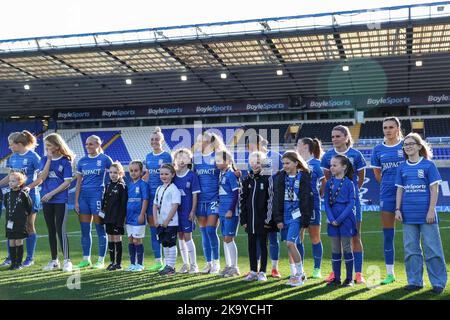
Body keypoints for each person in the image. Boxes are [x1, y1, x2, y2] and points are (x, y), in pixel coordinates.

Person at [395, 133, 447, 294]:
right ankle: (415, 281)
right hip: (408, 215)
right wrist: (397, 209)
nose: (408, 146)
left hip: (427, 215)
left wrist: (431, 210)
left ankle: (438, 283)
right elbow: (400, 190)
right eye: (405, 144)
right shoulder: (402, 167)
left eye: (411, 143)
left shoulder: (428, 166)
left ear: (419, 146)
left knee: (433, 249)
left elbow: (434, 189)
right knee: (411, 250)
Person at [321, 125, 367, 284]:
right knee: (336, 240)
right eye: (332, 136)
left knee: (355, 236)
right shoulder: (327, 156)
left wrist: (351, 192)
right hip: (335, 205)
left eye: (338, 136)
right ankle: (336, 273)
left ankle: (358, 273)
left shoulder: (356, 154)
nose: (334, 139)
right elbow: (327, 178)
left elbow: (361, 176)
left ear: (346, 138)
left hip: (351, 203)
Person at [271, 150, 313, 286]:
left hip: (297, 215)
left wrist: (305, 219)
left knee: (291, 243)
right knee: (291, 245)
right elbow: (276, 199)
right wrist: (278, 219)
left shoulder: (304, 177)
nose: (285, 166)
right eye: (283, 163)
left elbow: (307, 198)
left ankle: (300, 274)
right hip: (284, 215)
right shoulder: (280, 177)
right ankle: (295, 274)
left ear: (296, 163)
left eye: (288, 163)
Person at [371, 117, 405, 285]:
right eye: (385, 127)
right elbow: (377, 175)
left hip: (408, 194)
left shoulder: (406, 145)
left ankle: (415, 273)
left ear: (398, 129)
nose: (388, 130)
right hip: (387, 195)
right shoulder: (377, 149)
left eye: (391, 127)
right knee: (388, 235)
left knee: (413, 234)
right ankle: (390, 273)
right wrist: (388, 185)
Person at [0, 131, 40, 268]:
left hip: (30, 197)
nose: (9, 147)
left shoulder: (34, 157)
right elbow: (10, 176)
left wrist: (28, 187)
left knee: (29, 226)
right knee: (11, 226)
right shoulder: (13, 157)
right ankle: (11, 257)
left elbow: (41, 178)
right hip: (14, 197)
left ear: (19, 144)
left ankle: (29, 258)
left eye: (11, 144)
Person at [245, 133, 282, 278]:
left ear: (259, 143)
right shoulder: (253, 159)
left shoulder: (275, 155)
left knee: (272, 238)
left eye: (251, 145)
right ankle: (256, 268)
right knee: (257, 238)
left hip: (271, 202)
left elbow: (280, 175)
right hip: (258, 204)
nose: (250, 148)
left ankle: (274, 267)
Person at [74, 135, 113, 269]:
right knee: (85, 230)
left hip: (97, 197)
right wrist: (76, 201)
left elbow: (115, 175)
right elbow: (78, 182)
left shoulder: (105, 159)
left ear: (98, 144)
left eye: (91, 144)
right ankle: (86, 259)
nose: (88, 146)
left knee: (100, 229)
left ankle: (101, 260)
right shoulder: (82, 161)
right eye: (86, 144)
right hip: (83, 198)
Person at [39, 133, 75, 272]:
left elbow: (67, 182)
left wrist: (51, 194)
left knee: (61, 229)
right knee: (51, 230)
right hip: (46, 200)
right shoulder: (44, 159)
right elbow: (43, 177)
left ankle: (67, 260)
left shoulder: (65, 161)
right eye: (45, 145)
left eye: (49, 145)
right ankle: (54, 260)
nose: (46, 148)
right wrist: (48, 159)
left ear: (56, 145)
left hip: (60, 200)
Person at [193, 131, 225, 274]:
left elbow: (226, 173)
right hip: (200, 201)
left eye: (203, 140)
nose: (200, 143)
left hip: (214, 200)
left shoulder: (218, 156)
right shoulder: (195, 159)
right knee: (204, 232)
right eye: (199, 141)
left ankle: (216, 262)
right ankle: (208, 263)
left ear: (211, 142)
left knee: (211, 231)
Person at [240, 151, 274, 282]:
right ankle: (253, 271)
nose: (255, 165)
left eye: (258, 162)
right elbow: (242, 200)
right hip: (250, 220)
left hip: (263, 220)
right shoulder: (246, 179)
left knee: (263, 245)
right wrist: (243, 219)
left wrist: (268, 219)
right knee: (251, 245)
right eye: (253, 162)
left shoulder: (267, 178)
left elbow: (271, 199)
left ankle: (263, 272)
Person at [325, 155, 357, 287]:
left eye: (335, 165)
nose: (332, 167)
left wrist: (339, 219)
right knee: (335, 249)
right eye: (331, 165)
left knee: (347, 248)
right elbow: (326, 203)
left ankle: (349, 279)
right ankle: (336, 278)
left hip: (346, 219)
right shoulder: (328, 183)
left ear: (344, 167)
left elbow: (351, 203)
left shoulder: (349, 183)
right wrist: (332, 219)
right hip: (332, 220)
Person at [144, 127, 172, 272]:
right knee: (154, 229)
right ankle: (157, 260)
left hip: (164, 197)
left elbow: (170, 176)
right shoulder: (148, 157)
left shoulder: (167, 156)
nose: (154, 142)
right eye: (152, 139)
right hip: (151, 198)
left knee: (166, 228)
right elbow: (147, 175)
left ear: (162, 141)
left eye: (157, 139)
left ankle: (169, 261)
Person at [296, 137, 325, 279]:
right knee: (297, 238)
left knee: (314, 238)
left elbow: (324, 182)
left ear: (305, 146)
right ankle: (299, 269)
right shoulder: (298, 164)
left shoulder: (317, 164)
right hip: (298, 206)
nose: (296, 147)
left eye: (298, 145)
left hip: (312, 205)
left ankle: (317, 269)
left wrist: (316, 196)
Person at [173, 149, 200, 274]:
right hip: (176, 212)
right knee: (180, 237)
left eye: (185, 157)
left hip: (187, 211)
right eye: (179, 158)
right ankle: (185, 264)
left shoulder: (192, 175)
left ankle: (194, 265)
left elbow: (195, 196)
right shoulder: (173, 175)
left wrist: (192, 211)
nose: (182, 160)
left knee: (188, 237)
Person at [216, 150, 241, 278]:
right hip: (222, 212)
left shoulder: (231, 174)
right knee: (225, 239)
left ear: (228, 161)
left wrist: (231, 209)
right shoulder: (222, 173)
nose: (217, 162)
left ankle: (234, 267)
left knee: (229, 239)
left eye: (220, 160)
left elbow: (236, 193)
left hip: (230, 212)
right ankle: (228, 265)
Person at [153, 164, 181, 275]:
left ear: (172, 175)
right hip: (160, 223)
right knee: (164, 243)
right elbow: (155, 205)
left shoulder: (174, 189)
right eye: (161, 174)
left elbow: (175, 206)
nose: (163, 176)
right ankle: (167, 265)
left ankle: (171, 267)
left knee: (171, 244)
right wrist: (156, 220)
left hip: (171, 223)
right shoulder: (159, 188)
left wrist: (167, 221)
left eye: (166, 174)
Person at [101, 162, 128, 271]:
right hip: (108, 217)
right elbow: (105, 202)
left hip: (117, 218)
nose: (113, 175)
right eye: (111, 172)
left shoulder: (122, 186)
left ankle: (118, 263)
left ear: (120, 173)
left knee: (117, 238)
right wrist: (102, 214)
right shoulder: (108, 185)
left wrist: (121, 220)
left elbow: (123, 205)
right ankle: (112, 262)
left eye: (115, 173)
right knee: (111, 238)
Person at [3, 171, 32, 270]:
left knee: (18, 242)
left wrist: (24, 219)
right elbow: (6, 206)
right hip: (10, 223)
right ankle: (13, 263)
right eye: (10, 181)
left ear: (20, 182)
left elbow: (29, 207)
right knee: (11, 242)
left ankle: (18, 264)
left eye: (13, 181)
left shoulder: (23, 195)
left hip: (20, 223)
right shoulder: (7, 195)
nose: (11, 183)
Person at [125, 160, 149, 272]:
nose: (133, 173)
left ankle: (140, 264)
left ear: (141, 171)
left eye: (136, 171)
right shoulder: (129, 185)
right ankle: (132, 264)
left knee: (137, 241)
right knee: (130, 240)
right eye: (131, 171)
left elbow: (145, 200)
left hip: (138, 217)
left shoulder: (143, 184)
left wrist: (142, 214)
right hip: (129, 217)